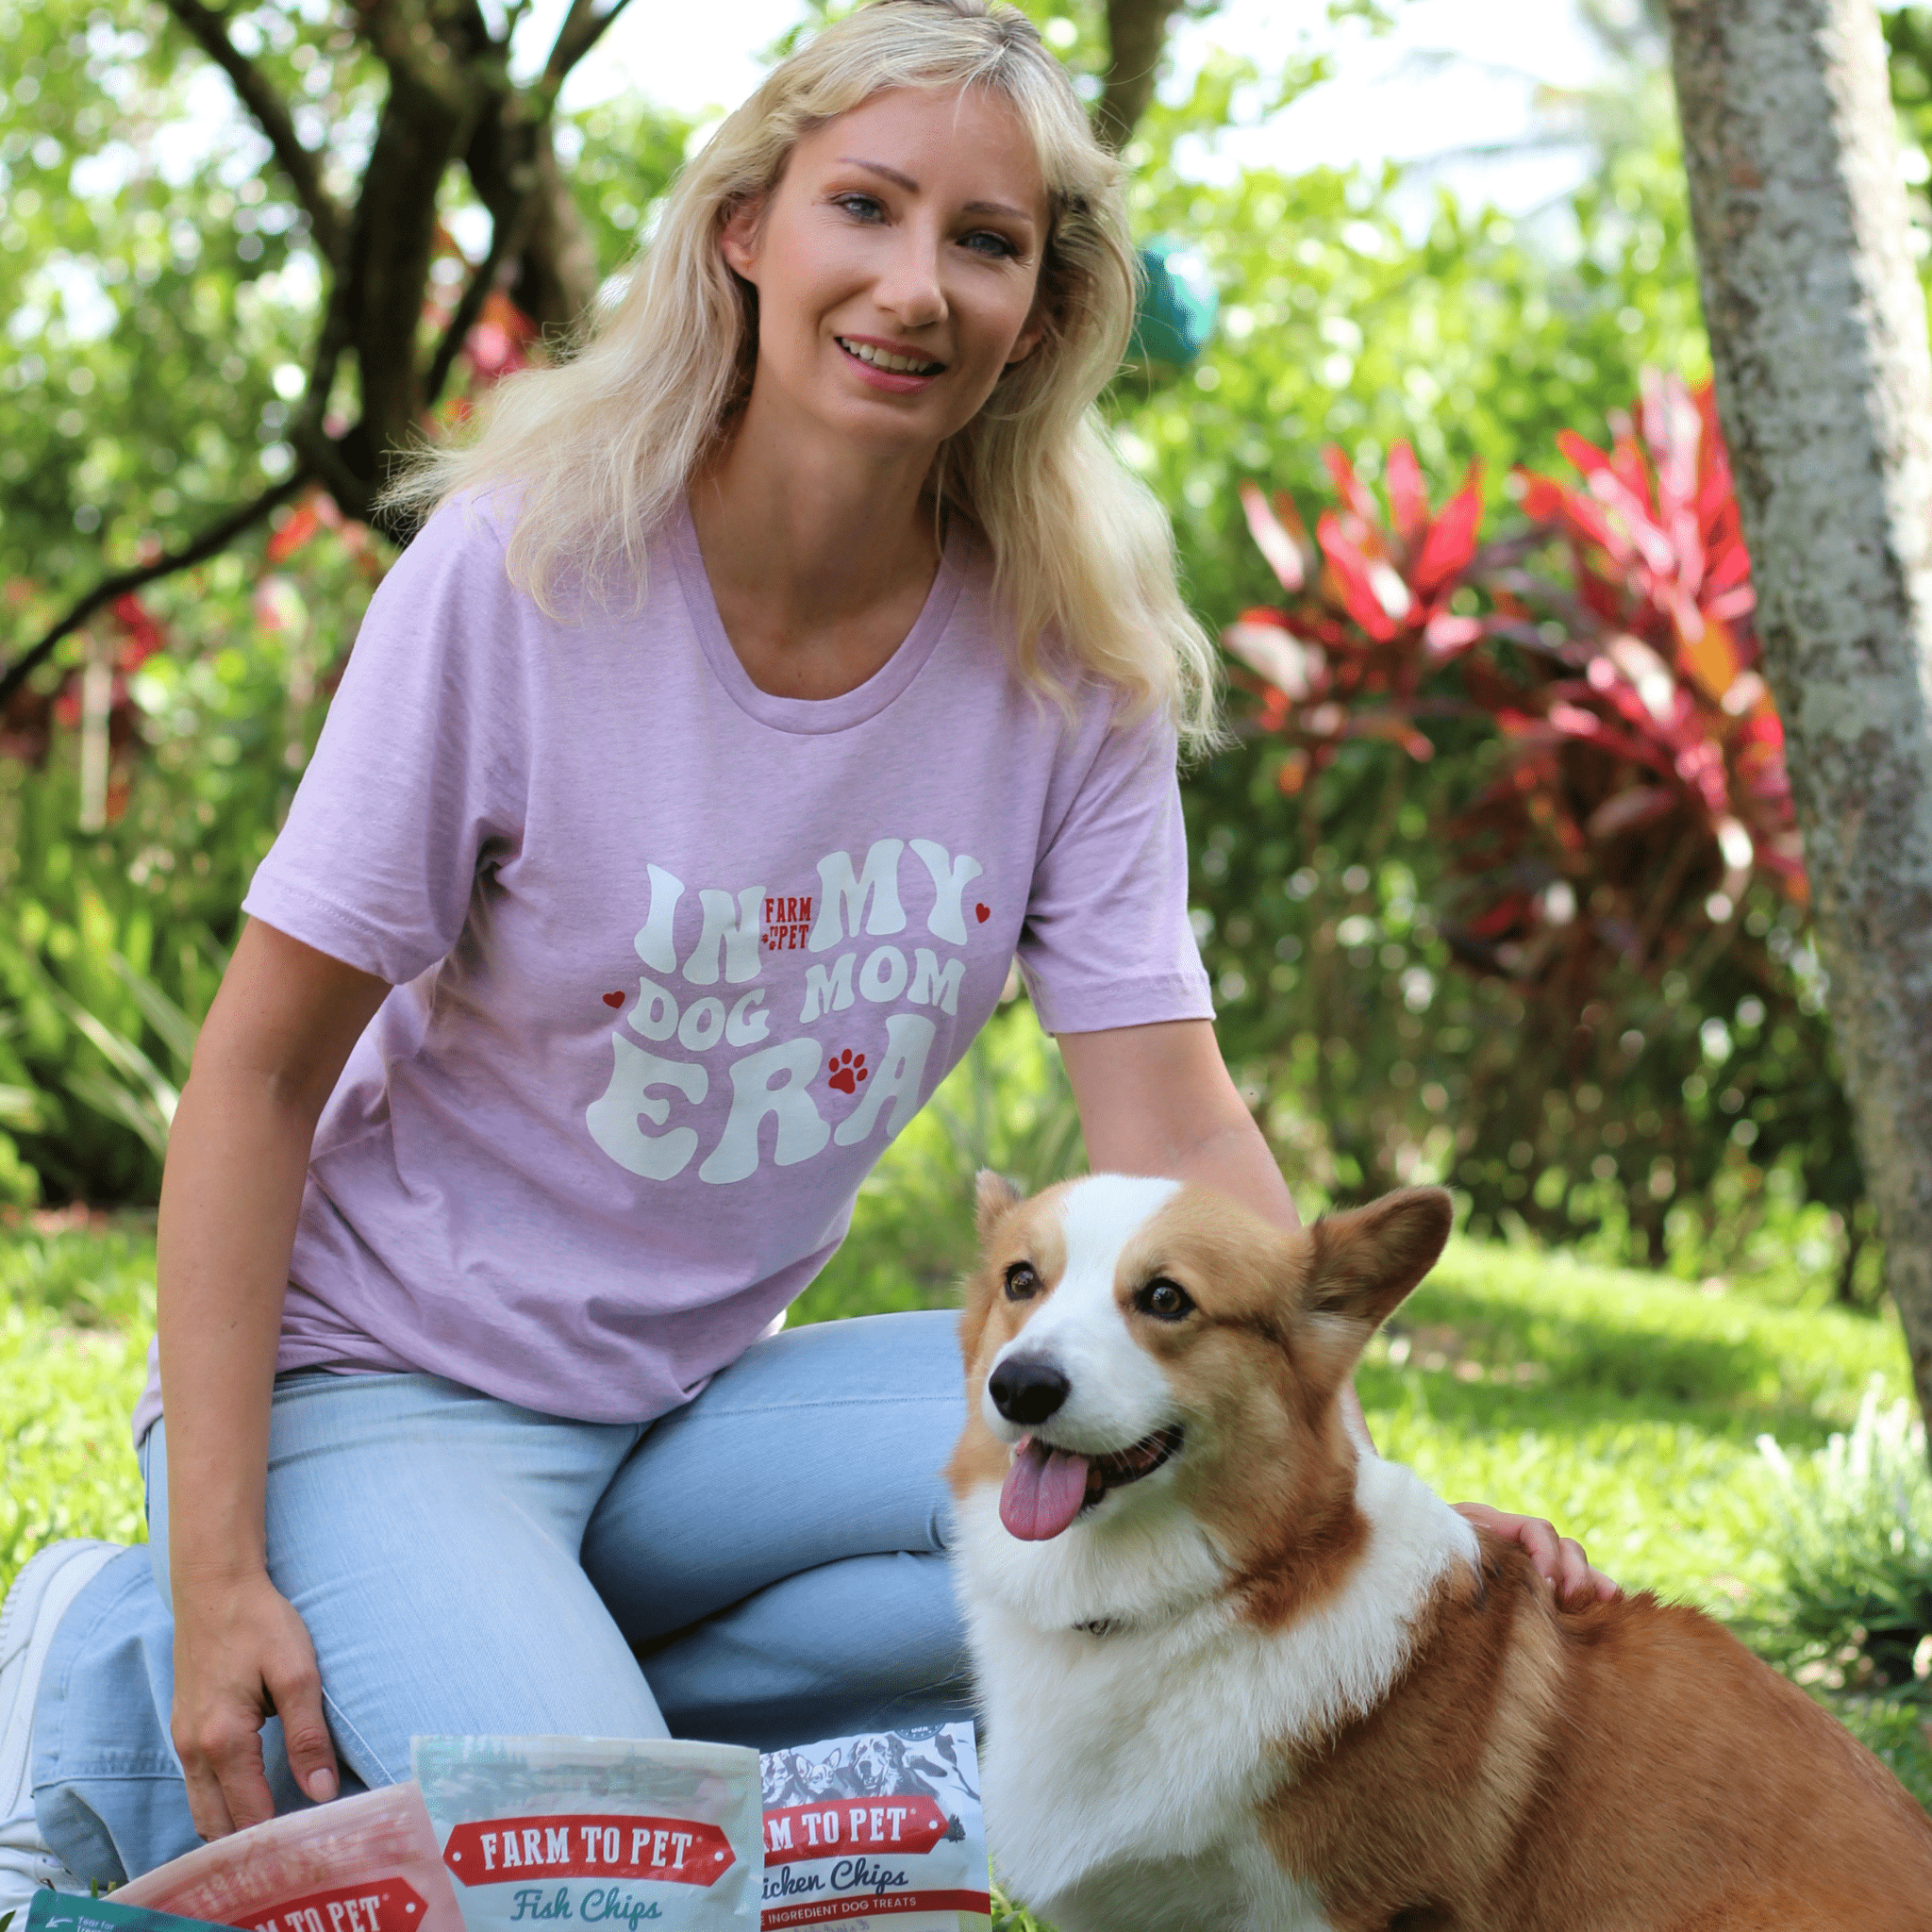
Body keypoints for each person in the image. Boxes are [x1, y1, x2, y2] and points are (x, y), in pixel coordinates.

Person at [0, 0, 1611, 1910]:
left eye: (985, 242)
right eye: (866, 206)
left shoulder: (1062, 655)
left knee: (1175, 1601)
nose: (916, 285)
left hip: (699, 1400)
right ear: (750, 226)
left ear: (1043, 299)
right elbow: (254, 1077)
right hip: (384, 1372)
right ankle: (141, 1670)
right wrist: (217, 1584)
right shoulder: (526, 573)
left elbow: (1171, 1118)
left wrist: (1373, 1523)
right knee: (625, 1880)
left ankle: (435, 1673)